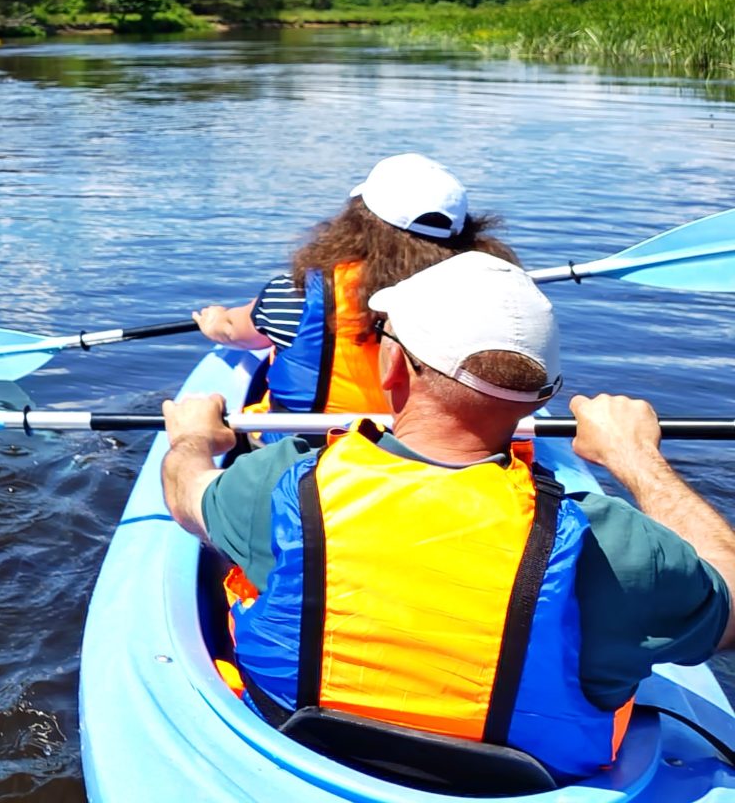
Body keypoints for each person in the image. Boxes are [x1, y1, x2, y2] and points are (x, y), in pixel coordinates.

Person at [162, 253, 735, 783]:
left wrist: (191, 439)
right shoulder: (613, 546)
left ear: (392, 368)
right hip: (532, 786)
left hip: (295, 761)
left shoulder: (281, 482)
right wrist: (637, 459)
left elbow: (186, 497)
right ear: (540, 397)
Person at [192, 153, 518, 416]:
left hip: (310, 461)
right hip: (437, 457)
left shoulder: (296, 293)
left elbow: (235, 332)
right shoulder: (489, 300)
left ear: (356, 221)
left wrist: (213, 321)